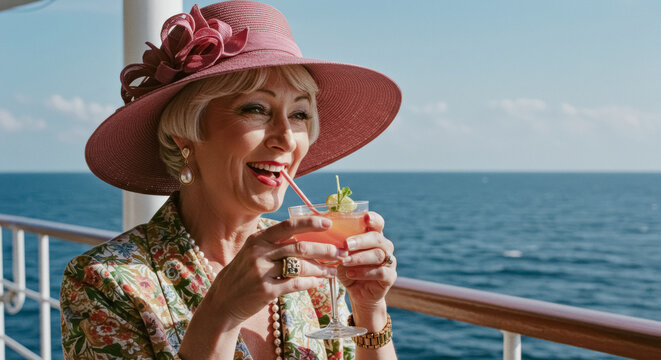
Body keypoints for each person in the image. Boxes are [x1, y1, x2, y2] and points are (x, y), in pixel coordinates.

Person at [60, 1, 401, 359]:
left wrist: (369, 309)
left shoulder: (307, 264)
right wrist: (221, 315)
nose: (286, 138)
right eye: (256, 109)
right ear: (185, 133)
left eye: (299, 114)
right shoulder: (103, 280)